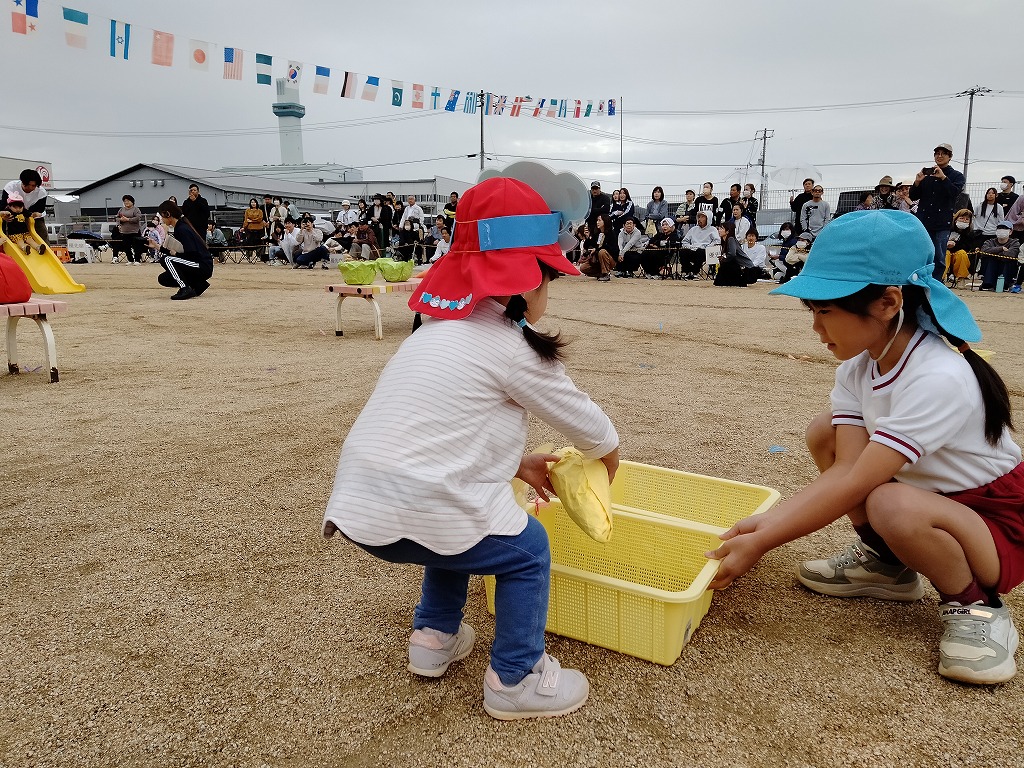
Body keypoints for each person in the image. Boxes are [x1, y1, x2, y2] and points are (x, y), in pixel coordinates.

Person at [323, 175, 618, 720]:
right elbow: (592, 429)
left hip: (361, 506)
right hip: (419, 503)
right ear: (529, 281)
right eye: (549, 278)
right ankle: (516, 680)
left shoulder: (432, 332)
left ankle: (432, 639)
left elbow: (445, 433)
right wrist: (607, 463)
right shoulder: (513, 346)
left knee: (456, 530)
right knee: (526, 550)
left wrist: (518, 463)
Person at [707, 209, 1023, 686]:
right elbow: (847, 465)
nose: (816, 328)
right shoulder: (858, 368)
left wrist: (764, 541)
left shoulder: (938, 376)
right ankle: (888, 564)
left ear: (888, 302)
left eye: (825, 311)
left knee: (889, 501)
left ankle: (977, 605)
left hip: (993, 522)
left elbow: (857, 480)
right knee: (826, 432)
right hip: (933, 501)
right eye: (812, 312)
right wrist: (761, 526)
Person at [908, 143, 967, 279]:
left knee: (939, 256)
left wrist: (943, 178)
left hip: (942, 223)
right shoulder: (927, 175)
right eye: (937, 153)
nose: (939, 156)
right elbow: (913, 196)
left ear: (950, 157)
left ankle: (937, 282)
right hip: (924, 221)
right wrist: (917, 182)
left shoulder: (956, 176)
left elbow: (954, 193)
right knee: (922, 253)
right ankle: (921, 280)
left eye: (943, 154)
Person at [149, 200, 213, 300]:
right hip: (198, 264)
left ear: (168, 214)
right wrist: (157, 247)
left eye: (162, 216)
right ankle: (198, 284)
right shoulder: (181, 226)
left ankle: (185, 288)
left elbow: (191, 254)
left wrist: (176, 255)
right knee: (164, 278)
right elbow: (179, 253)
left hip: (202, 266)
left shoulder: (182, 229)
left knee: (166, 259)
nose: (162, 220)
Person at [1, 168, 48, 248]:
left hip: (32, 215)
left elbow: (40, 209)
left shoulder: (41, 192)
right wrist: (5, 216)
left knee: (41, 232)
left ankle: (44, 249)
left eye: (34, 186)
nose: (31, 188)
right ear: (23, 182)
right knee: (6, 226)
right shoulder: (11, 187)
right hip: (13, 214)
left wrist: (30, 214)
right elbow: (3, 205)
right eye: (28, 185)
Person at [977, 222, 1020, 292]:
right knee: (990, 259)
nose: (1002, 230)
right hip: (990, 268)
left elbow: (1011, 254)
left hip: (1006, 269)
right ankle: (988, 283)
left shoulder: (1014, 243)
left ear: (1011, 231)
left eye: (1005, 228)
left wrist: (994, 253)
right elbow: (983, 251)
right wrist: (1001, 249)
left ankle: (1005, 284)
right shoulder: (989, 241)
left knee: (1007, 260)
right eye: (999, 228)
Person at [678, 211, 720, 279]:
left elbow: (717, 241)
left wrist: (708, 247)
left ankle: (695, 272)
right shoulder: (693, 229)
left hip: (704, 250)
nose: (699, 219)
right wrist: (690, 246)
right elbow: (685, 241)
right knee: (683, 251)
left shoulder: (713, 229)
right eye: (699, 217)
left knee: (700, 252)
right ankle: (687, 271)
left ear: (708, 219)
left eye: (702, 217)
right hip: (692, 249)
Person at [578, 213, 617, 282]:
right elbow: (587, 246)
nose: (597, 222)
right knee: (583, 268)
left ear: (605, 221)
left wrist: (596, 249)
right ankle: (600, 274)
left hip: (609, 259)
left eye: (599, 220)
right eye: (597, 220)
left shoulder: (611, 234)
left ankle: (606, 274)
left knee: (602, 251)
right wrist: (588, 237)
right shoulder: (597, 234)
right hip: (597, 260)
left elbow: (611, 248)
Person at [713, 222, 753, 287]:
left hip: (747, 269)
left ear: (727, 231)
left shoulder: (730, 239)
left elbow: (732, 254)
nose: (719, 230)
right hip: (743, 267)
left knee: (726, 263)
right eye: (719, 228)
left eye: (721, 228)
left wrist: (724, 259)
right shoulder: (726, 240)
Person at [115, 194, 143, 264]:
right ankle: (130, 260)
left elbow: (138, 218)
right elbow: (117, 218)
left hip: (135, 231)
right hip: (125, 231)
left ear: (132, 202)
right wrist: (121, 220)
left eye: (128, 201)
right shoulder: (121, 209)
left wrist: (128, 219)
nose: (126, 202)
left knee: (136, 246)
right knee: (126, 246)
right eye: (124, 201)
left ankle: (137, 260)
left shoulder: (136, 209)